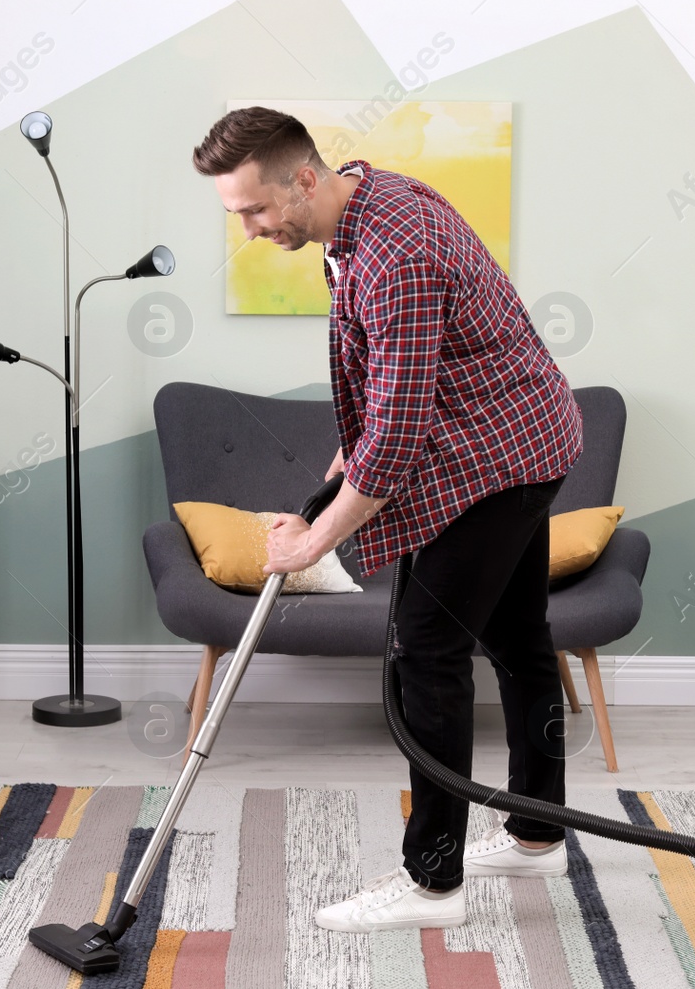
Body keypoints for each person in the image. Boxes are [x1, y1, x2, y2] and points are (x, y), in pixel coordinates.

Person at [192, 107, 583, 931]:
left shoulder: (392, 249)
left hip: (496, 459)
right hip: (519, 433)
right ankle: (539, 830)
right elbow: (400, 378)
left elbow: (401, 436)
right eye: (238, 216)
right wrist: (354, 443)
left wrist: (312, 540)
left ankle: (432, 883)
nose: (251, 229)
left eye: (256, 210)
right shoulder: (365, 206)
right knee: (517, 639)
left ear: (304, 177)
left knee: (427, 652)